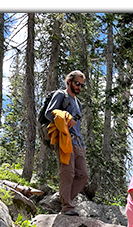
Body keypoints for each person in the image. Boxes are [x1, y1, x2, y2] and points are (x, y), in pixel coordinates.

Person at [46, 70, 89, 216]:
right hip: (64, 138)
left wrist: (82, 146)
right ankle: (67, 207)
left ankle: (63, 198)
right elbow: (49, 113)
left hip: (77, 141)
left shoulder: (78, 103)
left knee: (83, 174)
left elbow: (77, 126)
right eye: (77, 83)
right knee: (67, 172)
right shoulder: (60, 95)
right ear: (69, 81)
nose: (79, 87)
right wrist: (65, 117)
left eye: (82, 85)